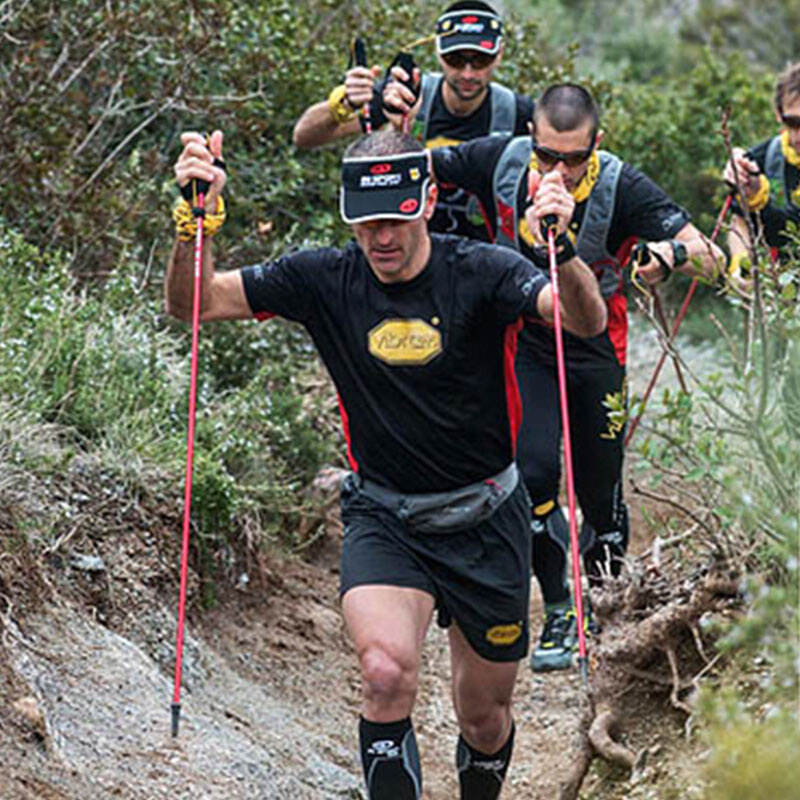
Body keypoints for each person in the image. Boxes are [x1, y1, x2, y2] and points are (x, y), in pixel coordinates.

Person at [166, 128, 606, 798]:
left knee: (484, 719)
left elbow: (583, 320)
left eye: (396, 218)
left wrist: (564, 252)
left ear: (427, 201)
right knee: (384, 673)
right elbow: (194, 303)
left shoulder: (481, 271)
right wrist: (194, 225)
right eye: (367, 223)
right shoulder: (322, 278)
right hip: (385, 514)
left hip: (487, 516)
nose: (382, 238)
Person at [382, 80, 727, 672]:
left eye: (574, 157)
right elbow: (410, 164)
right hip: (523, 338)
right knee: (534, 473)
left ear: (597, 143)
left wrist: (668, 256)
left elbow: (711, 256)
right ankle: (562, 603)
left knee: (600, 488)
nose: (559, 171)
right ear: (529, 139)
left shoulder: (623, 185)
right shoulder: (502, 158)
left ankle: (607, 602)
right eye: (547, 155)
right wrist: (397, 121)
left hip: (595, 344)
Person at [292, 1, 534, 242]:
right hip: (411, 255)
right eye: (455, 60)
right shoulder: (404, 96)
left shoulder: (519, 114)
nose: (468, 73)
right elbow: (304, 136)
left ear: (499, 54)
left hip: (487, 260)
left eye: (480, 61)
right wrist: (345, 103)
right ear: (438, 53)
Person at [723, 61, 800, 275]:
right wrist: (741, 265)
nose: (799, 135)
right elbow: (740, 222)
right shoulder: (762, 160)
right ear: (778, 113)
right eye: (792, 122)